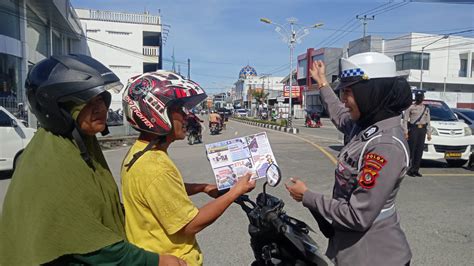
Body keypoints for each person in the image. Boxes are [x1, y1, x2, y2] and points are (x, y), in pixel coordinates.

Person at [0, 55, 184, 265]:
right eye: (87, 102)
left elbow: (101, 209)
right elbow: (93, 247)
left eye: (101, 99)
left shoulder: (78, 144)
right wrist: (156, 261)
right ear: (60, 108)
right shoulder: (54, 162)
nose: (101, 109)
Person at [286, 52, 413, 266]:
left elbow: (357, 216)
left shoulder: (385, 145)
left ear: (371, 93)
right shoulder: (367, 125)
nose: (344, 100)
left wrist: (307, 197)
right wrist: (323, 84)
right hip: (354, 252)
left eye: (348, 92)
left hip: (374, 257)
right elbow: (339, 114)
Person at [121, 70, 256, 265]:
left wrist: (203, 187)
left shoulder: (139, 152)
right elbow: (190, 225)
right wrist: (235, 192)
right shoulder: (155, 168)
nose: (187, 116)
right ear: (157, 112)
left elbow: (164, 192)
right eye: (179, 109)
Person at [403, 90, 431, 177]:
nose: (420, 99)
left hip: (422, 130)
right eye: (418, 97)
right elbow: (405, 120)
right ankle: (410, 169)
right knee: (413, 149)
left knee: (419, 150)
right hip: (414, 129)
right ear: (416, 98)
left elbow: (428, 121)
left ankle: (416, 169)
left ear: (423, 98)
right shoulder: (410, 107)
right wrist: (406, 132)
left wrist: (429, 133)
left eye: (421, 97)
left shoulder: (426, 108)